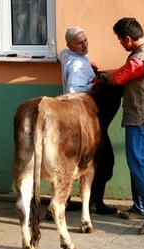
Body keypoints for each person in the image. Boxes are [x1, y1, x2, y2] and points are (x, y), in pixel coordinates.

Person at [99, 17, 144, 234]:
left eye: (120, 40)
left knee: (138, 163)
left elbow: (117, 79)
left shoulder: (137, 62)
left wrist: (101, 76)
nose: (120, 43)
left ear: (128, 38)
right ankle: (140, 207)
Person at [57, 27, 123, 215]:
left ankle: (65, 201)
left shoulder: (66, 54)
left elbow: (60, 54)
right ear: (71, 45)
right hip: (85, 119)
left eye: (86, 40)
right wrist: (96, 82)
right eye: (80, 43)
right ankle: (95, 203)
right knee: (103, 160)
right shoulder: (77, 65)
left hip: (74, 119)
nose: (85, 45)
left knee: (69, 160)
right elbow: (73, 92)